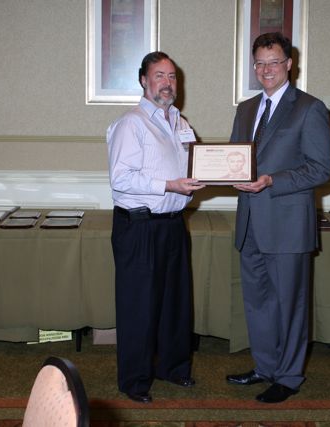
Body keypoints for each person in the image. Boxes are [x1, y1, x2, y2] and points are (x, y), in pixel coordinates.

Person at [226, 32, 330, 402]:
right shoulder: (245, 109)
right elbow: (235, 160)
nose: (266, 69)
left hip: (287, 226)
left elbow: (320, 169)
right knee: (258, 303)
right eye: (260, 63)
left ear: (289, 64)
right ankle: (265, 366)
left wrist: (273, 180)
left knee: (290, 305)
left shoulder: (310, 108)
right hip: (250, 224)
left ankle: (288, 377)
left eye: (274, 62)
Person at [106, 51, 205, 403]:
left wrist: (208, 176)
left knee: (175, 303)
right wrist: (169, 185)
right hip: (139, 228)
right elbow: (120, 179)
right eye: (159, 75)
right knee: (139, 307)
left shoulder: (180, 122)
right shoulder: (130, 124)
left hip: (173, 225)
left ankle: (173, 368)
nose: (167, 83)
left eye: (172, 76)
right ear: (143, 81)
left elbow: (194, 166)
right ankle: (135, 381)